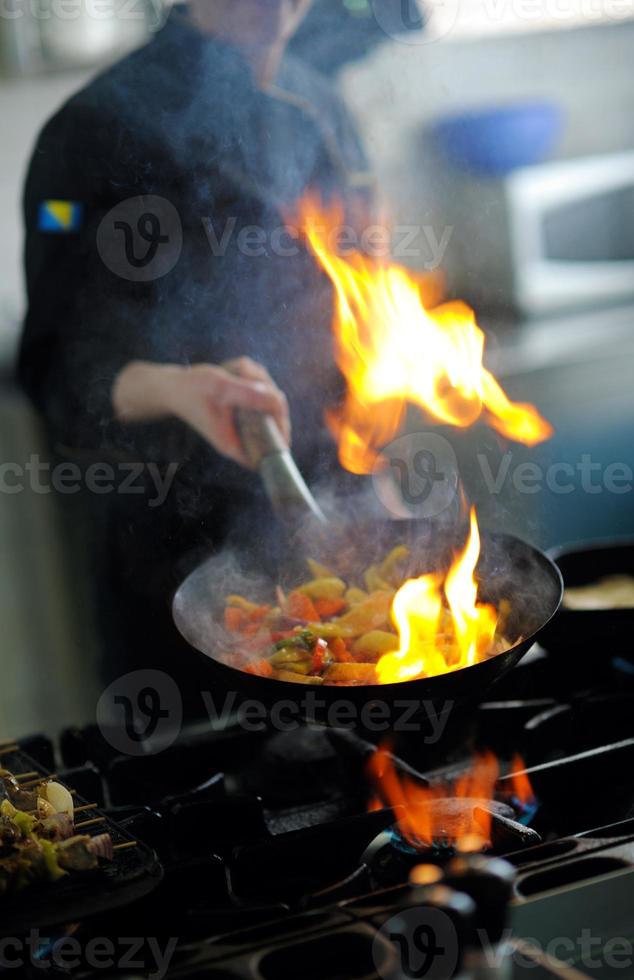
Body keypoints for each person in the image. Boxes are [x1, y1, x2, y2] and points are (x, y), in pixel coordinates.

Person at [17, 0, 373, 707]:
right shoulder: (91, 132)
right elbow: (58, 368)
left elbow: (357, 330)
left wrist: (373, 475)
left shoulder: (322, 104)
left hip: (332, 521)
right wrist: (183, 389)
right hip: (180, 570)